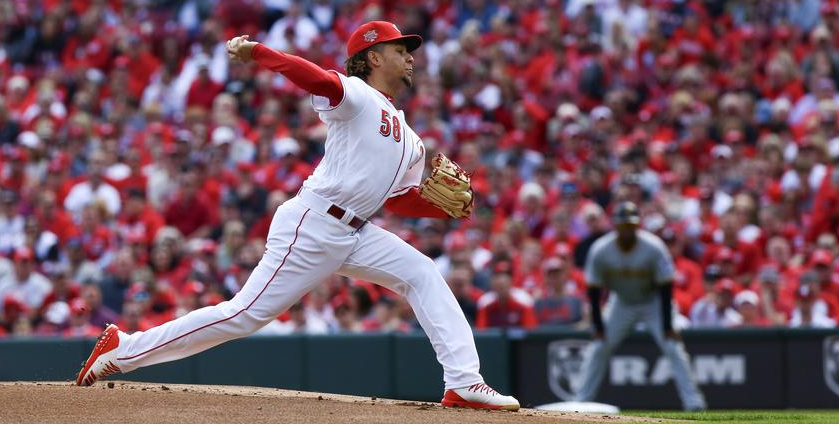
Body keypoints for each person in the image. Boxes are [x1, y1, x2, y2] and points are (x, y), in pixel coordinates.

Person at [75, 21, 520, 410]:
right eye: (400, 51)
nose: (409, 59)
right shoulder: (358, 96)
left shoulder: (411, 138)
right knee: (244, 315)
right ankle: (125, 348)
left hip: (356, 231)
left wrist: (446, 210)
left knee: (423, 272)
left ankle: (463, 382)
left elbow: (399, 199)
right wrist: (262, 54)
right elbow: (318, 80)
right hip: (314, 223)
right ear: (371, 56)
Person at [574, 202, 706, 411]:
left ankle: (695, 403)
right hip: (621, 303)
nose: (627, 230)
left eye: (631, 226)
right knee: (599, 347)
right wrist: (598, 327)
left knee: (672, 346)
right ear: (615, 226)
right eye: (623, 226)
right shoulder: (601, 249)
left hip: (652, 301)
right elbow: (593, 290)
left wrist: (666, 325)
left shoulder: (653, 246)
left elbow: (665, 287)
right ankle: (579, 403)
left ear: (638, 226)